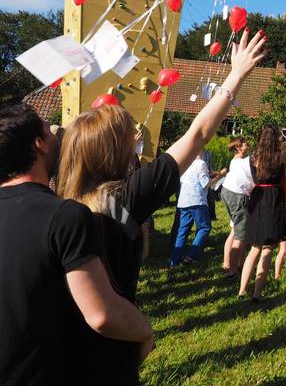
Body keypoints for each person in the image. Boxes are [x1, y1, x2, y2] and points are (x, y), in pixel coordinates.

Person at [57, 29, 267, 382]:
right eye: (129, 141)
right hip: (113, 350)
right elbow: (197, 134)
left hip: (62, 353)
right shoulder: (123, 200)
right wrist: (236, 75)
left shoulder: (56, 205)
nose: (135, 145)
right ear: (114, 153)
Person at [0, 104, 155, 385]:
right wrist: (144, 329)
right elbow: (101, 315)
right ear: (40, 144)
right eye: (50, 131)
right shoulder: (64, 216)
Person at [238, 124, 286, 301]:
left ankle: (242, 290)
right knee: (267, 249)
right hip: (272, 198)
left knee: (254, 248)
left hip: (257, 197)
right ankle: (257, 294)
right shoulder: (278, 156)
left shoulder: (253, 157)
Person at [169, 153, 213, 267]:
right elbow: (206, 184)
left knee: (182, 231)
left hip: (183, 201)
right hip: (197, 200)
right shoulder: (201, 163)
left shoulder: (185, 164)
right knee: (205, 227)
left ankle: (173, 260)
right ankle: (191, 256)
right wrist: (220, 176)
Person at [221, 136, 253, 277]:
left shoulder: (234, 161)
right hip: (237, 195)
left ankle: (228, 263)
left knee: (235, 229)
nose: (247, 144)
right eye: (244, 143)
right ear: (238, 148)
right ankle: (233, 270)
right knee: (241, 235)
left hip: (226, 191)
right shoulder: (242, 161)